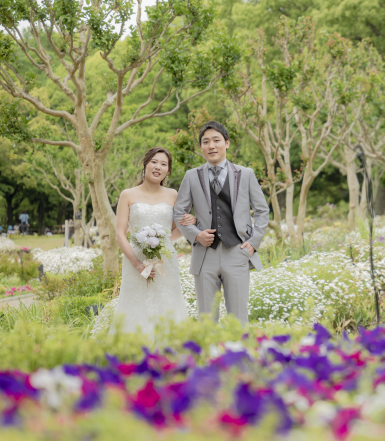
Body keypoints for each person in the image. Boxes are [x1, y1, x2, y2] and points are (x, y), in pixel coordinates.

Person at [174, 121, 269, 326]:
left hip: (237, 251)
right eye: (206, 141)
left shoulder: (246, 174)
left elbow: (262, 210)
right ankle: (209, 357)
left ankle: (240, 357)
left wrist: (253, 243)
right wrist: (195, 234)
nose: (211, 146)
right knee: (207, 320)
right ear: (201, 147)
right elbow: (179, 212)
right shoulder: (191, 176)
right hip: (204, 254)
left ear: (226, 143)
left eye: (216, 140)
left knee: (238, 320)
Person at [112, 146, 198, 339]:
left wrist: (189, 222)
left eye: (164, 164)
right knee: (135, 305)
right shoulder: (128, 194)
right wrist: (137, 264)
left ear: (168, 171)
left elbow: (176, 231)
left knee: (168, 303)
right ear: (145, 164)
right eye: (154, 162)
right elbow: (120, 234)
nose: (158, 167)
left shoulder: (173, 195)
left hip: (165, 262)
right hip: (135, 261)